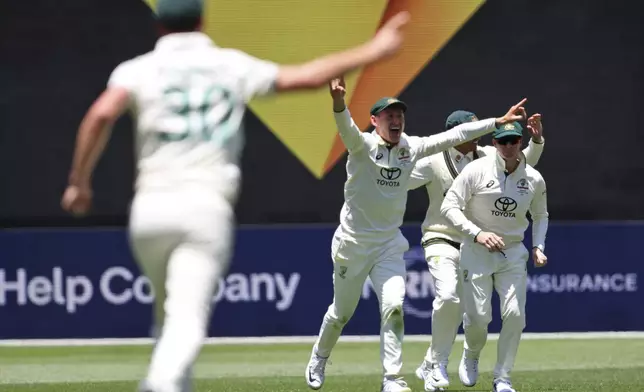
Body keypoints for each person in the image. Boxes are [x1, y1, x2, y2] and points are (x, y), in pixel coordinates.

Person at [60, 0, 413, 390]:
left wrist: (79, 182)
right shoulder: (228, 64)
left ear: (159, 27)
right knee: (186, 318)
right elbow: (307, 77)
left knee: (167, 317)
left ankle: (172, 382)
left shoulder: (135, 69)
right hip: (203, 208)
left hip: (148, 210)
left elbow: (101, 114)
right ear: (203, 21)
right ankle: (160, 384)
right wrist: (374, 50)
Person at [305, 76, 530, 392]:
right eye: (388, 116)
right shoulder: (363, 145)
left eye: (399, 115)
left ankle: (392, 379)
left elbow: (455, 134)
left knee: (394, 307)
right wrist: (339, 102)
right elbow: (346, 128)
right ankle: (319, 357)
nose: (395, 120)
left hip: (387, 245)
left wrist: (498, 121)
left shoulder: (412, 147)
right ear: (375, 121)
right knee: (341, 313)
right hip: (353, 243)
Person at [408, 111, 544, 391]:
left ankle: (446, 363)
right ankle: (437, 364)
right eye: (471, 130)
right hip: (443, 237)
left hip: (490, 245)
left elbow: (522, 166)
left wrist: (537, 141)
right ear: (455, 133)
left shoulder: (485, 152)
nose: (479, 135)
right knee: (449, 298)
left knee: (501, 314)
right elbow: (400, 181)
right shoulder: (433, 160)